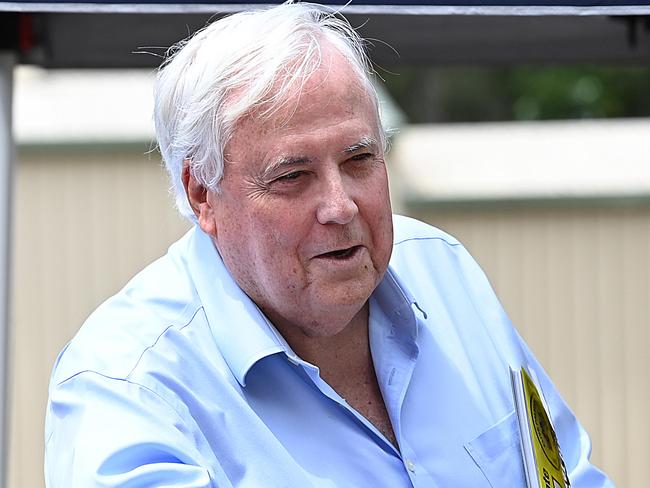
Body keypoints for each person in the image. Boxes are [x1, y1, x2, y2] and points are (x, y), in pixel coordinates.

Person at [45, 2, 613, 487]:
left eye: (359, 159)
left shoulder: (442, 270)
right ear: (202, 195)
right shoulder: (127, 388)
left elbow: (567, 473)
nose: (341, 206)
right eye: (293, 176)